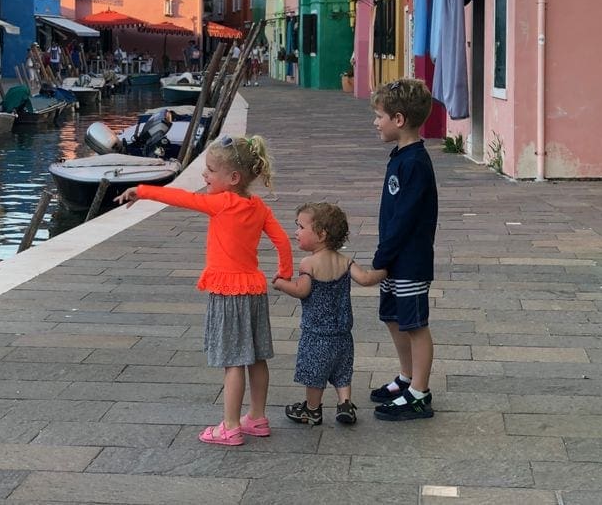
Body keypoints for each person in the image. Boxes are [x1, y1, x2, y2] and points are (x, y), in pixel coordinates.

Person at [114, 135, 293, 446]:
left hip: (228, 292)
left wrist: (140, 191)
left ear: (233, 178)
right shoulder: (259, 206)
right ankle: (258, 418)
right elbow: (283, 241)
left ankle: (230, 426)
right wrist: (285, 272)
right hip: (254, 289)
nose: (204, 175)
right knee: (257, 357)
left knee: (233, 361)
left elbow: (180, 198)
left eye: (210, 170)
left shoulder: (221, 204)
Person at [273, 202, 386, 426]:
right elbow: (365, 279)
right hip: (343, 333)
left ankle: (312, 409)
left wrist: (281, 284)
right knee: (342, 371)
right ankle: (345, 404)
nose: (296, 232)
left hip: (316, 334)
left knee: (315, 374)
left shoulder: (309, 263)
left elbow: (302, 290)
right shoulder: (345, 261)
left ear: (321, 234)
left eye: (300, 227)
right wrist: (386, 270)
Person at [368, 78, 438, 421]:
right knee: (394, 318)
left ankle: (419, 393)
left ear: (398, 119)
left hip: (408, 261)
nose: (375, 122)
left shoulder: (415, 164)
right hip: (395, 259)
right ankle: (407, 377)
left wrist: (382, 259)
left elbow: (406, 218)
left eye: (379, 116)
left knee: (414, 324)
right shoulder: (400, 156)